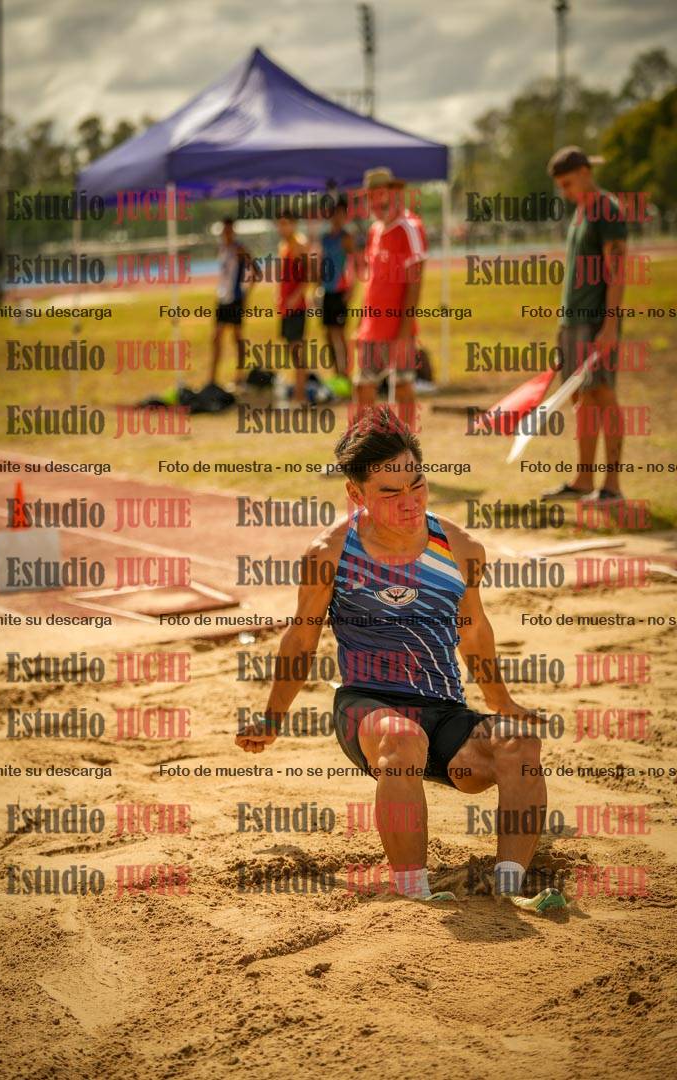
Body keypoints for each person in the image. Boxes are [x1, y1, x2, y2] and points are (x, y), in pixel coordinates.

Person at [236, 406, 566, 913]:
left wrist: (503, 703)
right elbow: (301, 639)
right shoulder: (330, 553)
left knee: (520, 744)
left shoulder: (460, 548)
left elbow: (474, 631)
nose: (409, 501)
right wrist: (272, 718)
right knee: (402, 738)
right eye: (390, 492)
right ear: (356, 494)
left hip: (443, 711)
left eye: (417, 484)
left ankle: (508, 889)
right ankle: (413, 892)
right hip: (368, 708)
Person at [541, 146, 629, 505]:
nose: (565, 192)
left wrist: (609, 326)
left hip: (595, 322)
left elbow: (617, 270)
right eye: (560, 186)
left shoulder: (607, 209)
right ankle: (583, 480)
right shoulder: (581, 211)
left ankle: (612, 487)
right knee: (581, 400)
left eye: (568, 184)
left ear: (585, 173)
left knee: (603, 395)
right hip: (573, 322)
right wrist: (563, 324)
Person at [353, 168, 426, 429]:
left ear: (394, 194)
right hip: (372, 326)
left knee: (403, 387)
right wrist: (360, 325)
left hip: (398, 327)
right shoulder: (375, 230)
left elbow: (415, 283)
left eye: (380, 195)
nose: (376, 203)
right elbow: (372, 283)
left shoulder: (409, 227)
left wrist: (405, 332)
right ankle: (363, 448)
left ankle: (407, 447)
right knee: (362, 388)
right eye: (371, 197)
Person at [210, 217, 251, 385]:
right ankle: (212, 378)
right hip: (222, 299)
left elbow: (254, 271)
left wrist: (246, 294)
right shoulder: (221, 248)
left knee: (237, 338)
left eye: (229, 230)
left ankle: (240, 376)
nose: (226, 234)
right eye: (224, 230)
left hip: (235, 299)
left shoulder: (239, 248)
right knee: (216, 338)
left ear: (233, 231)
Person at [276, 212, 309, 404]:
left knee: (298, 352)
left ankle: (300, 395)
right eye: (280, 224)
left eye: (285, 223)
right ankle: (297, 391)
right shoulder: (284, 245)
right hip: (285, 308)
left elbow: (309, 275)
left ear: (294, 224)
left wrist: (296, 296)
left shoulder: (299, 244)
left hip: (297, 308)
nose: (282, 228)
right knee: (291, 350)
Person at [320, 195, 354, 378]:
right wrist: (318, 286)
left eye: (341, 214)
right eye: (335, 213)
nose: (338, 217)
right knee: (328, 334)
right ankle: (336, 373)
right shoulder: (325, 238)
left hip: (341, 291)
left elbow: (354, 263)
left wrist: (351, 289)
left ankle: (345, 374)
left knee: (339, 334)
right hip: (327, 291)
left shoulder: (346, 238)